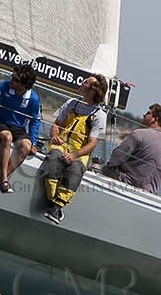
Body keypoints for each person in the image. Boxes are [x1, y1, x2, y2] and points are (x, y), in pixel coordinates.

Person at [38, 74, 110, 222]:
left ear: (92, 91)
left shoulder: (99, 115)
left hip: (80, 151)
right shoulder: (72, 103)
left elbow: (92, 143)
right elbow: (56, 124)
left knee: (76, 169)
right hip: (61, 144)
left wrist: (75, 155)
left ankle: (58, 206)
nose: (81, 83)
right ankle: (52, 201)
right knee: (54, 159)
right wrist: (54, 136)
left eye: (85, 82)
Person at [0, 63, 41, 193]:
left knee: (26, 146)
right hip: (1, 123)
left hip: (19, 129)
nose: (11, 81)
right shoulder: (4, 86)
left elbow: (35, 122)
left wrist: (33, 142)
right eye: (12, 77)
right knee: (7, 137)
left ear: (24, 85)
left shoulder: (33, 99)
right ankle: (4, 179)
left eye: (16, 80)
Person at [103, 103, 161, 193]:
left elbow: (116, 157)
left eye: (148, 113)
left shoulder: (139, 134)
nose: (144, 115)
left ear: (154, 119)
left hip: (127, 185)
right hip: (150, 194)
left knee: (100, 169)